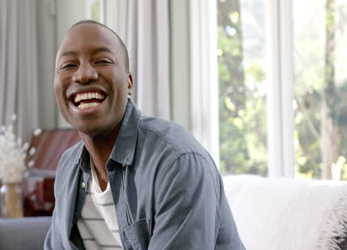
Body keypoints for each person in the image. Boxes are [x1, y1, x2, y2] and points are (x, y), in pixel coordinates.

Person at [44, 20, 245, 250]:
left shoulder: (177, 162)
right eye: (68, 65)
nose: (84, 75)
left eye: (102, 61)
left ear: (129, 84)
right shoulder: (68, 168)